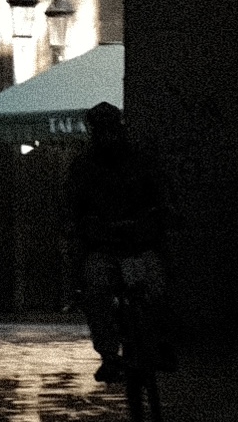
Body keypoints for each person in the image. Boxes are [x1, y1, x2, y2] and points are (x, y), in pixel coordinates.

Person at [65, 101, 168, 385]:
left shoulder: (139, 161)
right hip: (105, 246)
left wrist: (158, 217)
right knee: (95, 292)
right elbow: (73, 205)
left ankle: (156, 343)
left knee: (157, 288)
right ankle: (110, 355)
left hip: (137, 243)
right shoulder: (85, 167)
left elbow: (158, 196)